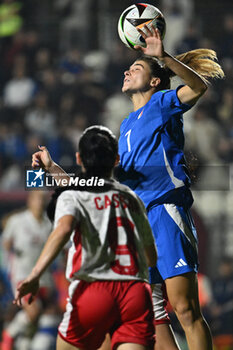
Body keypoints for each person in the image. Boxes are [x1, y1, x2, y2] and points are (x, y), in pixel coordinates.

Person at [30, 26, 224, 350]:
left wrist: (163, 56)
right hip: (138, 228)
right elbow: (93, 184)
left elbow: (198, 86)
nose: (126, 70)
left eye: (136, 68)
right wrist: (51, 170)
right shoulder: (125, 126)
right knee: (156, 319)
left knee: (186, 310)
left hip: (164, 212)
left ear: (154, 81)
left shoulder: (162, 103)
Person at [14, 125, 158, 350]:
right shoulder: (132, 198)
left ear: (79, 158)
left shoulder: (74, 196)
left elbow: (63, 228)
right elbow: (151, 258)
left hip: (94, 290)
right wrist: (51, 167)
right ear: (116, 160)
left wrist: (33, 276)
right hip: (135, 294)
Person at [1, 191, 58, 350]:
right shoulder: (17, 221)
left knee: (41, 317)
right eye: (37, 198)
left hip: (43, 277)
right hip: (22, 274)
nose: (40, 202)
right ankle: (9, 334)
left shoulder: (48, 225)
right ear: (30, 200)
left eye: (43, 199)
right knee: (33, 311)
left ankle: (24, 344)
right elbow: (6, 245)